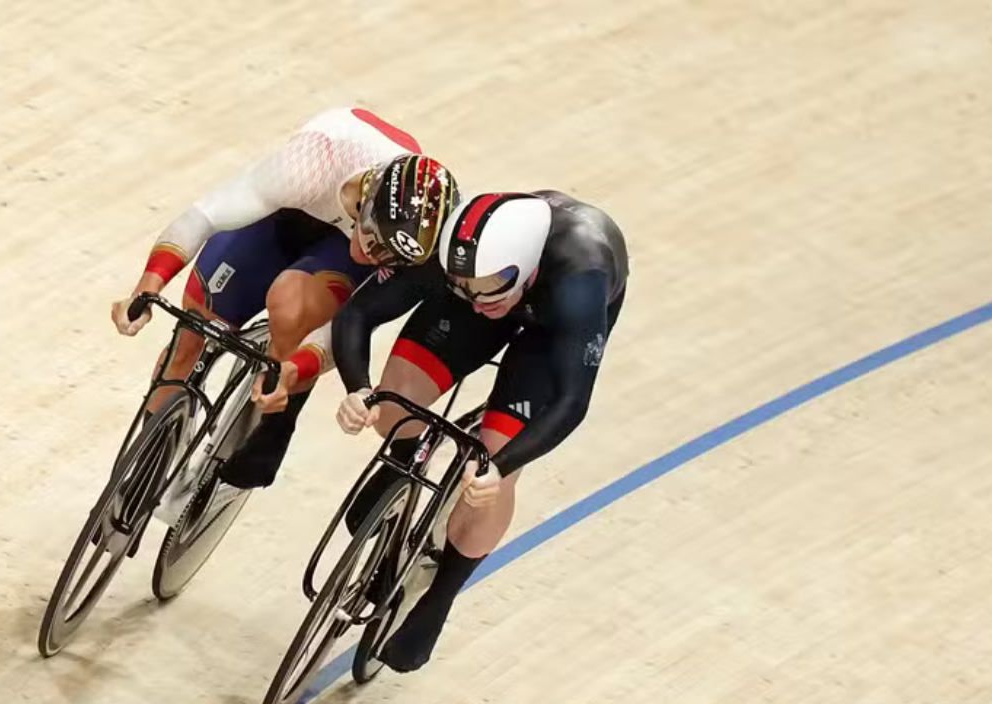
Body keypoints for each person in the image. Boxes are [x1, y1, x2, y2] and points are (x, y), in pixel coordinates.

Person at [108, 108, 459, 520]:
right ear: (363, 201)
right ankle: (152, 453)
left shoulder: (426, 240)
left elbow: (350, 325)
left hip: (332, 253)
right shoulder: (310, 163)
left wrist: (292, 372)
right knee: (192, 331)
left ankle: (275, 423)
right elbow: (205, 216)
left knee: (292, 303)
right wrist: (148, 285)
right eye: (373, 241)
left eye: (388, 256)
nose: (373, 256)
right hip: (287, 211)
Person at [333, 190, 628, 672]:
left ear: (523, 268)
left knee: (490, 471)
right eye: (466, 284)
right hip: (487, 290)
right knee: (397, 401)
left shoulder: (581, 278)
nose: (480, 298)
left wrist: (502, 468)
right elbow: (359, 313)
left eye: (490, 287)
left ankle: (440, 598)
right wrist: (358, 389)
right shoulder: (458, 256)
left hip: (550, 327)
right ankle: (401, 466)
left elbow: (572, 403)